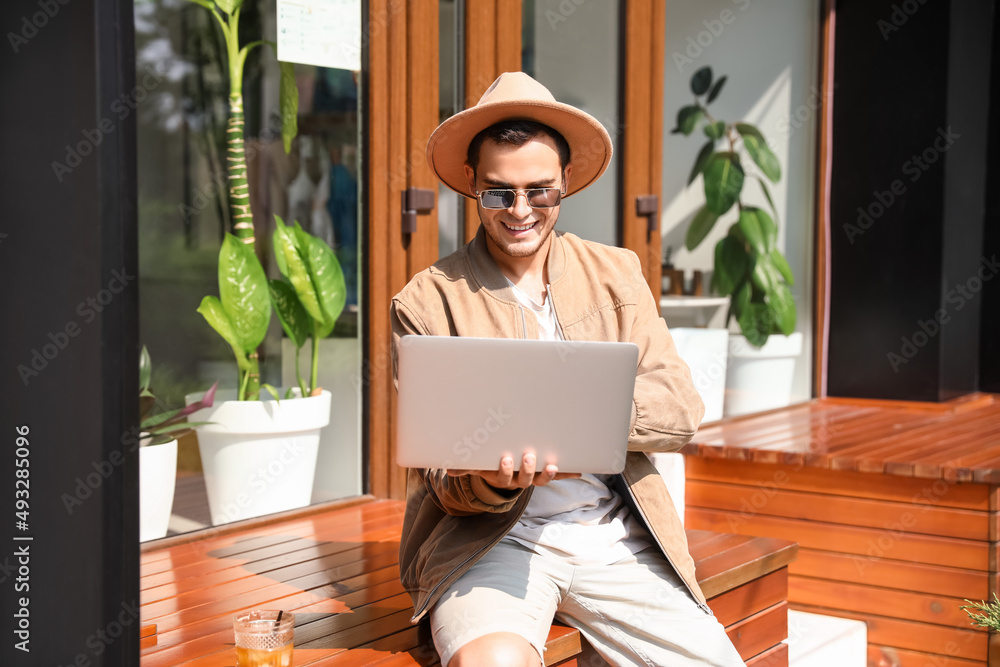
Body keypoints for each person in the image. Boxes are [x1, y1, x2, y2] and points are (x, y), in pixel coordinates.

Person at [391, 72, 744, 667]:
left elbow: (681, 412)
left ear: (566, 184)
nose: (521, 211)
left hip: (619, 539)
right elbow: (441, 473)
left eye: (541, 191)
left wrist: (579, 420)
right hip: (490, 546)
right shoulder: (429, 300)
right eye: (500, 193)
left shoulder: (617, 273)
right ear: (474, 185)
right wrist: (495, 481)